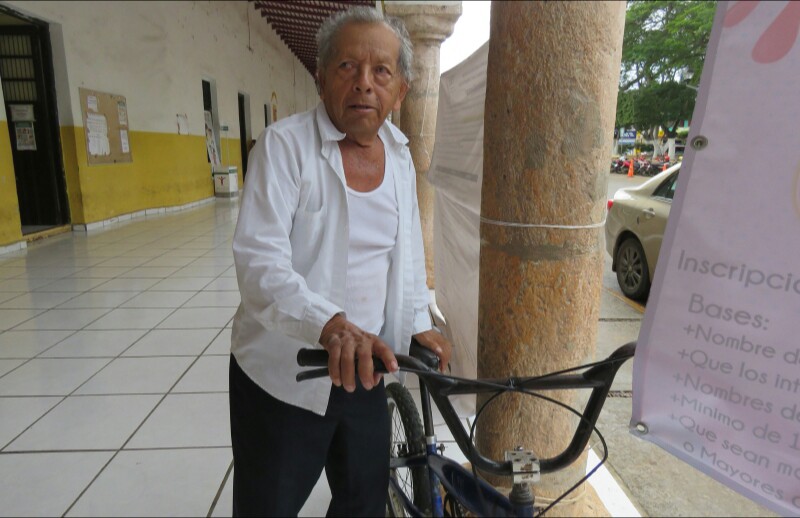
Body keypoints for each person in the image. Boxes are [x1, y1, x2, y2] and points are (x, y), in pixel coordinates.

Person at [229, 6, 452, 517]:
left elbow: (407, 251)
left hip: (366, 371)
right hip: (285, 373)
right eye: (347, 67)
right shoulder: (283, 147)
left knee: (363, 503)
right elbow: (259, 261)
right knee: (269, 505)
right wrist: (327, 324)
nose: (364, 85)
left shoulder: (399, 155)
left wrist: (417, 322)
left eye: (381, 72)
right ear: (321, 77)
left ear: (401, 92)